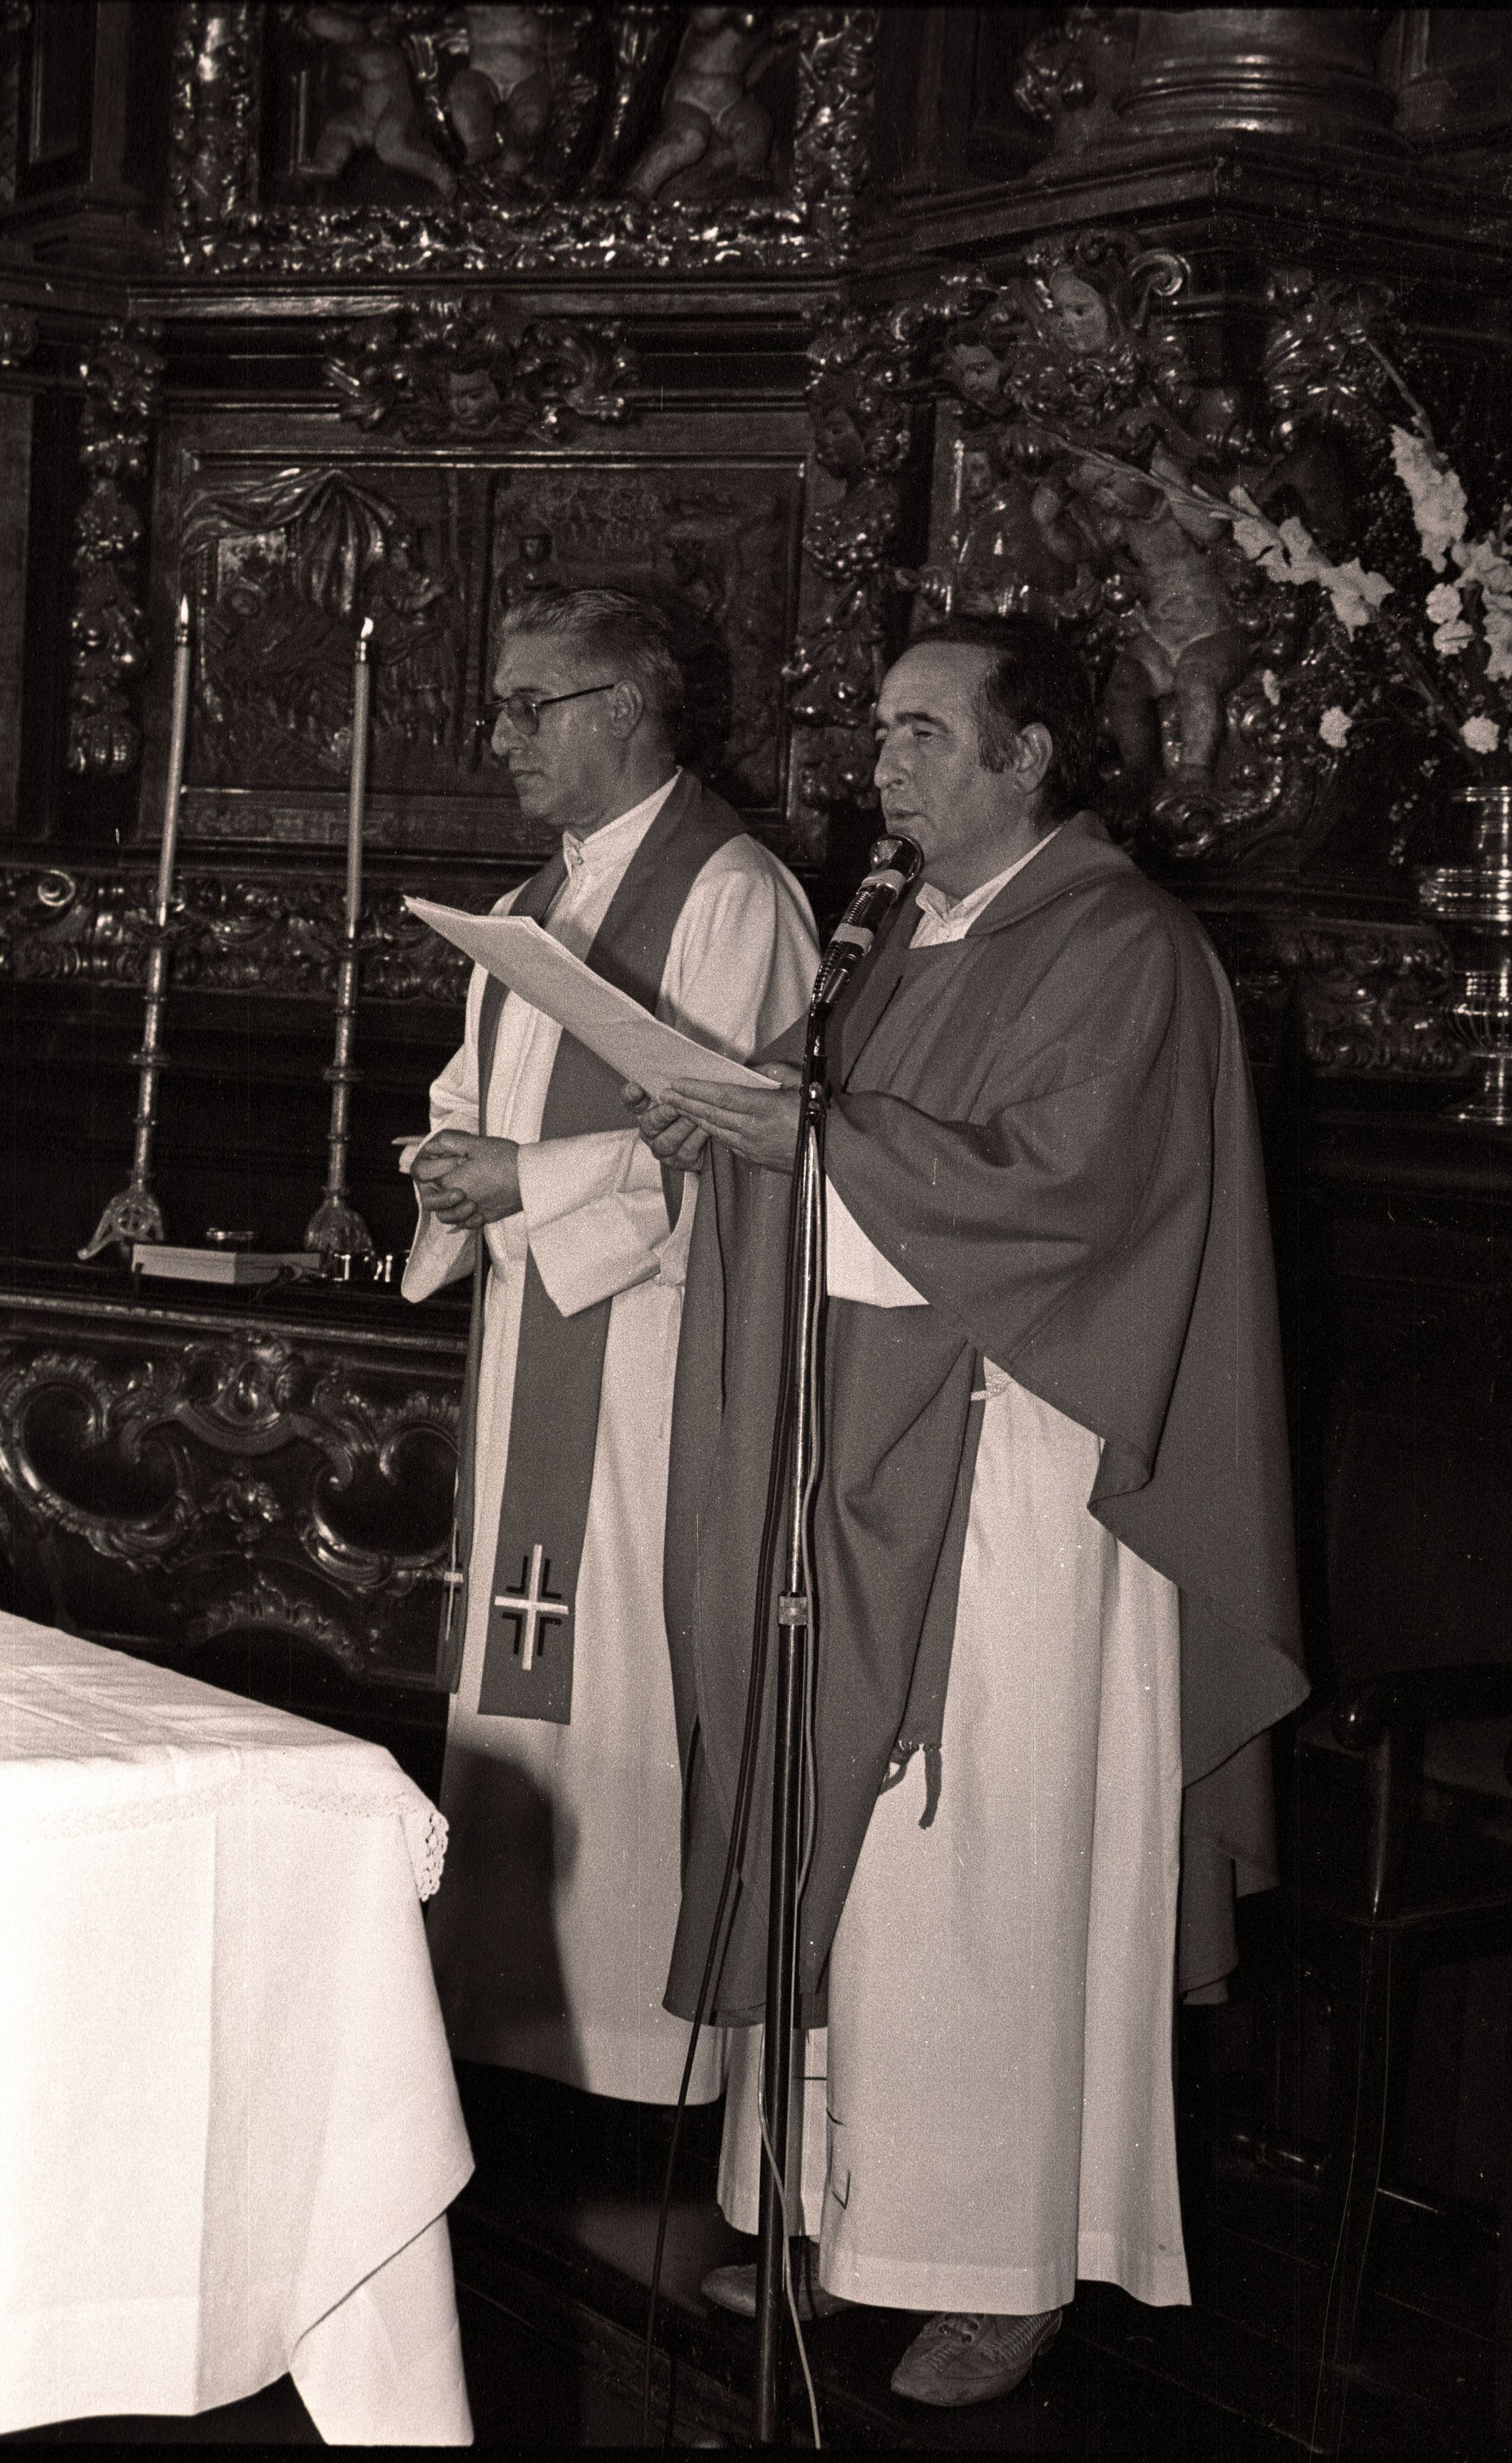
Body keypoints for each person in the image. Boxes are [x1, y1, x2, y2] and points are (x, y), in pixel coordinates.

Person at [628, 615, 1306, 2406]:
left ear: (1030, 757)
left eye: (924, 732)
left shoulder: (1122, 949)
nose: (884, 765)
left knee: (978, 1863)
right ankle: (839, 2222)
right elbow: (825, 1134)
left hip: (1021, 1480)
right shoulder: (896, 937)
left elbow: (1068, 1201)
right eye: (878, 729)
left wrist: (803, 1144)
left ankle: (1001, 2264)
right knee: (857, 1852)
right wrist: (726, 1124)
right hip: (864, 1445)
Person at [403, 586, 818, 2107]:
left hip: (657, 1356)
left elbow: (738, 1139)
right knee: (525, 1659)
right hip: (539, 1330)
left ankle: (641, 2058)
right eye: (502, 705)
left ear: (625, 709)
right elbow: (475, 1094)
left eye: (531, 705)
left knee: (628, 1667)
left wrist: (528, 1178)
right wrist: (452, 1163)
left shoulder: (733, 895)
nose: (500, 734)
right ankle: (510, 2024)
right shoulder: (532, 903)